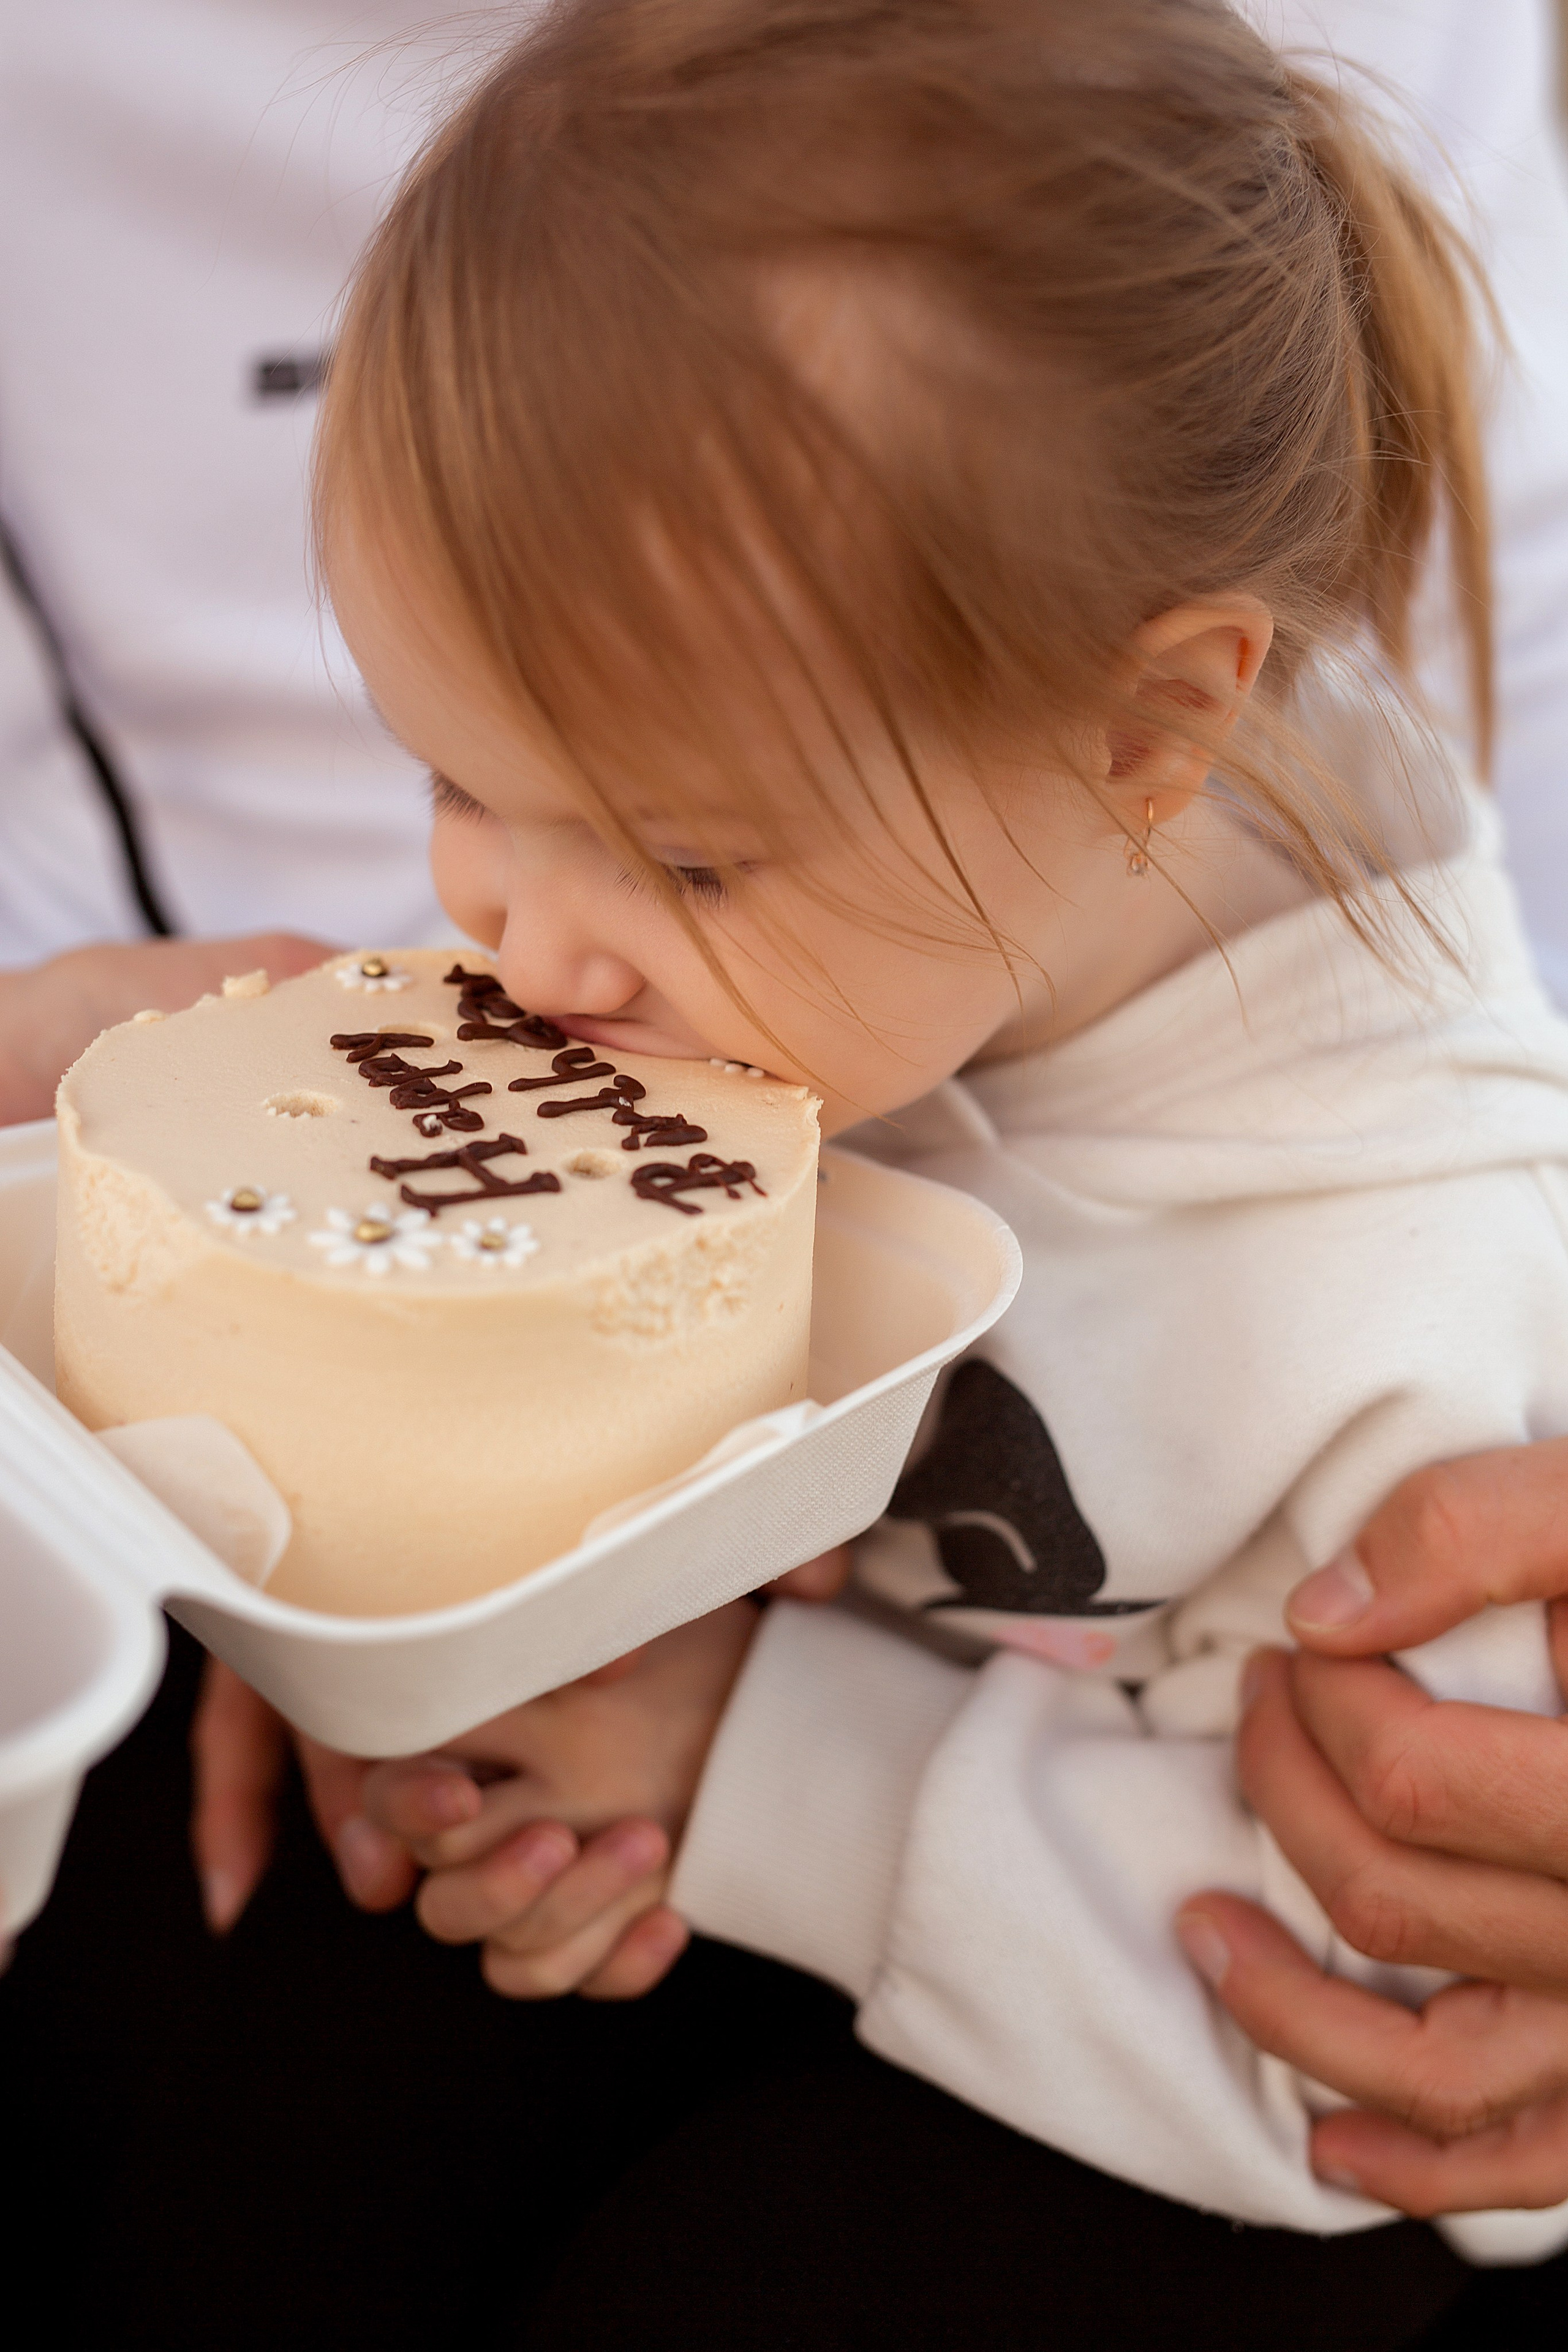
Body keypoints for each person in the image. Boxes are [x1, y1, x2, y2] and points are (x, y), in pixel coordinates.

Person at [178, 0, 1568, 2318]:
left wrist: (752, 1766)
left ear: (1151, 730)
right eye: (454, 781)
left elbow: (1423, 2061)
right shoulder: (846, 892)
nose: (522, 938)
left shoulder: (1411, 1299)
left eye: (683, 861)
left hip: (1173, 2068)